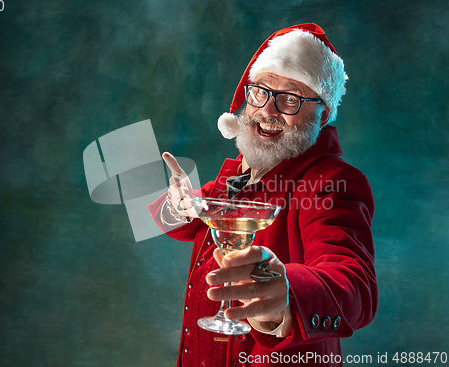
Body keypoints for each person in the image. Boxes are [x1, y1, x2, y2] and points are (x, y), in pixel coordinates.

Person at [148, 23, 377, 367]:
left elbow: (355, 284)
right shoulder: (242, 174)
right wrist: (181, 204)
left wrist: (287, 294)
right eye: (260, 93)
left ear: (323, 113)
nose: (269, 112)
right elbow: (186, 222)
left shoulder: (331, 181)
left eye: (290, 99)